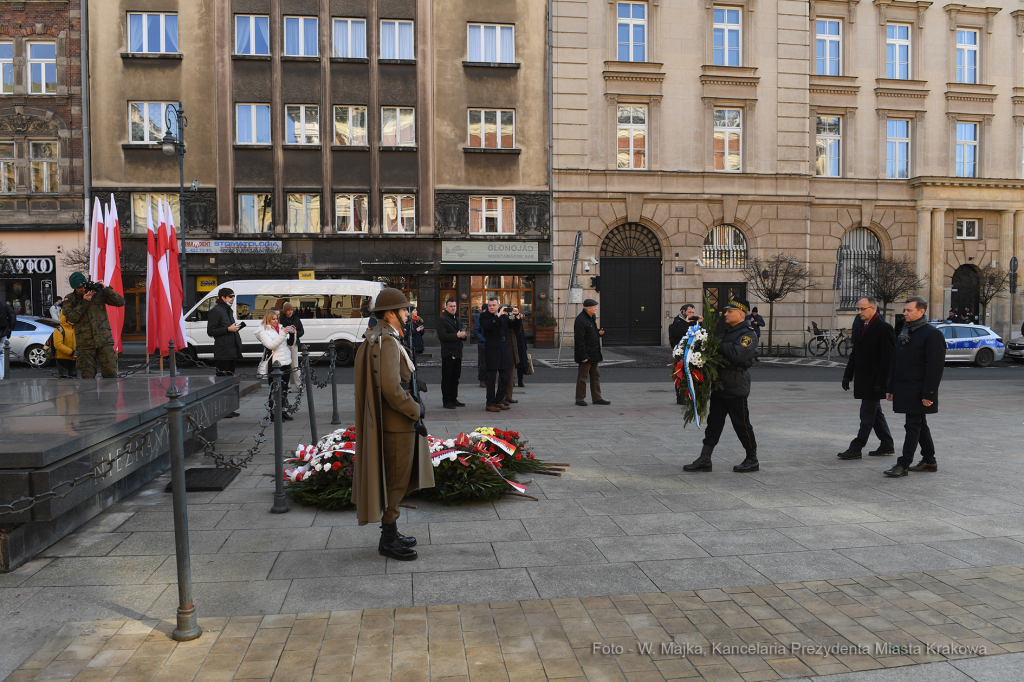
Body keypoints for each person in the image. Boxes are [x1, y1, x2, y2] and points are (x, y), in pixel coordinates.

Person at [353, 288, 434, 561]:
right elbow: (390, 387)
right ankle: (388, 539)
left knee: (397, 480)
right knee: (397, 482)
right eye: (404, 310)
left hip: (396, 422)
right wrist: (415, 410)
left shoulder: (387, 336)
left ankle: (391, 530)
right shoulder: (386, 340)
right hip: (397, 424)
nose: (408, 314)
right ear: (391, 313)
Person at [683, 299, 759, 473]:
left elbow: (737, 355)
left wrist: (714, 344)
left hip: (736, 385)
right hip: (720, 384)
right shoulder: (729, 331)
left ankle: (752, 458)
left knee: (741, 424)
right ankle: (705, 458)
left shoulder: (748, 334)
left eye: (729, 311)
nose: (725, 314)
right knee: (714, 423)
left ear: (740, 314)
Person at [884, 297, 945, 477]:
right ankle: (929, 460)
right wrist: (891, 387)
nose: (905, 313)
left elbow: (934, 368)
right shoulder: (905, 331)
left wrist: (929, 394)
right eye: (905, 310)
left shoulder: (932, 334)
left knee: (912, 425)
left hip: (919, 390)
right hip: (905, 387)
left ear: (921, 311)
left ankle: (903, 464)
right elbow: (896, 361)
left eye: (909, 310)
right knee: (920, 424)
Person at [837, 297, 895, 460]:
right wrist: (848, 375)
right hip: (863, 379)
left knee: (866, 415)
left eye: (863, 309)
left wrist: (882, 384)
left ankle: (856, 447)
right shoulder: (862, 327)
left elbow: (888, 359)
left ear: (873, 309)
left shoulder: (884, 329)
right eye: (858, 309)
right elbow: (856, 352)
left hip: (875, 381)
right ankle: (887, 443)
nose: (859, 312)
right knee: (875, 414)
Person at [62, 271, 125, 379]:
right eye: (79, 288)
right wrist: (84, 301)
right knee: (87, 375)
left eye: (83, 286)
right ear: (74, 288)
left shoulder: (97, 293)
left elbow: (120, 302)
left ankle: (109, 395)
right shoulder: (70, 299)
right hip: (85, 343)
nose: (83, 289)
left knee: (110, 372)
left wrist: (106, 289)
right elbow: (71, 318)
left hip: (103, 339)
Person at [254, 307, 295, 421]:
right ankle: (273, 413)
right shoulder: (263, 331)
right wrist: (282, 334)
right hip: (275, 363)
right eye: (273, 319)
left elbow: (289, 343)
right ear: (268, 319)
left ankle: (282, 411)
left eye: (277, 318)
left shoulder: (280, 328)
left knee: (284, 388)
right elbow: (271, 346)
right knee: (275, 389)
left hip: (286, 361)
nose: (276, 321)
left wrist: (292, 334)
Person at [207, 288, 243, 418]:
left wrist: (233, 328)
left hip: (232, 349)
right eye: (230, 296)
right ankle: (221, 409)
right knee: (222, 381)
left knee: (230, 380)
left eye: (233, 296)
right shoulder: (215, 311)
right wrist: (228, 329)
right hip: (223, 351)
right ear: (223, 298)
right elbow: (211, 331)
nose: (233, 298)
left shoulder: (228, 310)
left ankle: (229, 408)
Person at [478, 297, 513, 412]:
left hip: (503, 349)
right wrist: (497, 316)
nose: (492, 307)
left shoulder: (503, 316)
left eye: (494, 305)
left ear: (498, 306)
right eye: (490, 305)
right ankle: (490, 403)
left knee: (506, 376)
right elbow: (487, 326)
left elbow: (513, 326)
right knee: (491, 379)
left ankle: (498, 400)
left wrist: (516, 316)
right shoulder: (484, 316)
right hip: (492, 349)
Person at [574, 298, 610, 406]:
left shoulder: (591, 318)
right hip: (586, 354)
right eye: (594, 307)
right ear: (588, 308)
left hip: (594, 353)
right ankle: (580, 399)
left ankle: (597, 398)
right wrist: (583, 355)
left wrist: (598, 333)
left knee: (595, 376)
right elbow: (579, 340)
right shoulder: (581, 320)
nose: (596, 308)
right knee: (583, 377)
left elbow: (591, 333)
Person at [436, 299, 468, 409]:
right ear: (446, 307)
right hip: (448, 353)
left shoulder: (458, 319)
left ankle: (454, 399)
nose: (453, 308)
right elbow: (442, 336)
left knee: (456, 378)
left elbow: (459, 334)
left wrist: (463, 335)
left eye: (454, 306)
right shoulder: (442, 320)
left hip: (458, 352)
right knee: (447, 378)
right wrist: (457, 336)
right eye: (450, 306)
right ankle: (446, 401)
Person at [669, 304, 702, 404]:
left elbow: (699, 334)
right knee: (680, 374)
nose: (691, 314)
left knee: (693, 373)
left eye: (693, 313)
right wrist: (686, 323)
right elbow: (677, 333)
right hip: (681, 352)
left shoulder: (693, 321)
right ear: (683, 312)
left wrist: (700, 323)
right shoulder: (677, 322)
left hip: (692, 352)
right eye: (689, 312)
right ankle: (680, 396)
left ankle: (692, 395)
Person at [280, 302, 305, 389]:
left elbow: (302, 331)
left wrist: (295, 333)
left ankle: (299, 385)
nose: (290, 312)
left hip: (294, 343)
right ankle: (287, 385)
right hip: (284, 344)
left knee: (295, 365)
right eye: (288, 310)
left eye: (291, 310)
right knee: (286, 364)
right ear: (285, 311)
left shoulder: (296, 319)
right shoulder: (281, 319)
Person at [503, 306, 524, 404]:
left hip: (513, 350)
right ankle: (502, 397)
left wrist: (517, 317)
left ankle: (508, 396)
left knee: (511, 376)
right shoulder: (501, 319)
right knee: (504, 376)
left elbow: (517, 330)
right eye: (506, 310)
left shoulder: (511, 319)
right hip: (504, 350)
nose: (508, 312)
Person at [54, 311, 77, 378]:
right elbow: (58, 344)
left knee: (74, 379)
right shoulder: (59, 329)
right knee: (64, 382)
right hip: (62, 359)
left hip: (74, 359)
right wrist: (71, 353)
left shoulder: (75, 328)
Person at [0, 298, 15, 380]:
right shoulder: (3, 305)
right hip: (3, 331)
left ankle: (1, 375)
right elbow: (12, 314)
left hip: (3, 331)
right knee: (1, 354)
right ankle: (2, 375)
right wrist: (10, 329)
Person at [473, 313, 486, 387]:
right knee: (482, 364)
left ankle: (487, 379)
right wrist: (484, 340)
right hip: (483, 345)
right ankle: (482, 380)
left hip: (491, 345)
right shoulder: (479, 319)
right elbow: (476, 332)